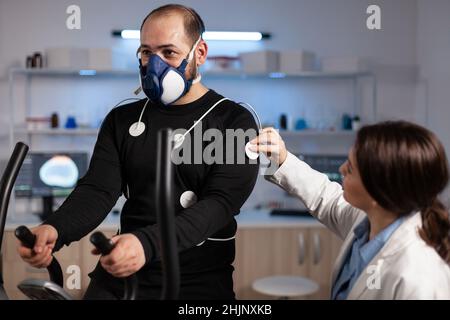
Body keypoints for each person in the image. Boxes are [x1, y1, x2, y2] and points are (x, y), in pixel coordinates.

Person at [17, 4, 259, 300]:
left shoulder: (234, 120)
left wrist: (145, 244)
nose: (154, 65)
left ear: (200, 53)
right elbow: (98, 190)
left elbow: (220, 204)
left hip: (197, 281)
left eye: (168, 52)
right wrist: (55, 229)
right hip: (122, 273)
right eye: (146, 52)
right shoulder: (123, 119)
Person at [249, 121, 450, 299]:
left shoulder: (421, 278)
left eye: (351, 168)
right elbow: (325, 196)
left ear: (378, 191)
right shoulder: (369, 222)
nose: (341, 169)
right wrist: (283, 158)